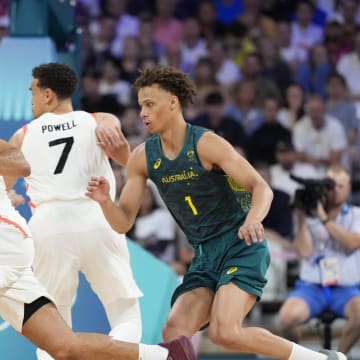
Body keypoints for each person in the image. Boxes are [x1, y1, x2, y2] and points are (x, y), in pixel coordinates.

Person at [86, 65, 347, 360]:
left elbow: (261, 187)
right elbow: (122, 223)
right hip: (204, 255)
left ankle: (320, 359)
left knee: (226, 332)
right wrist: (105, 201)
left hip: (240, 245)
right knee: (174, 331)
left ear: (173, 102)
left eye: (149, 104)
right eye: (140, 106)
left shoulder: (206, 143)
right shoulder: (142, 157)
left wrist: (252, 220)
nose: (143, 113)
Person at [0, 139, 196, 360]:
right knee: (63, 347)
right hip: (14, 250)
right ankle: (164, 355)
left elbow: (21, 164)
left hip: (5, 250)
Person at [8, 62, 143, 359]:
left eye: (32, 92)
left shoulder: (21, 136)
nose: (30, 99)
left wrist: (9, 198)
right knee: (126, 314)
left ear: (47, 94)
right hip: (96, 215)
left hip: (48, 225)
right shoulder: (99, 119)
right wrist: (113, 136)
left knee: (51, 326)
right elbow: (128, 160)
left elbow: (3, 187)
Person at [279, 165, 360, 356]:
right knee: (286, 319)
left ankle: (339, 356)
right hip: (311, 287)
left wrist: (323, 218)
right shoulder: (309, 214)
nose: (335, 191)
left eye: (341, 186)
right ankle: (303, 358)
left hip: (345, 288)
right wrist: (301, 219)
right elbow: (303, 251)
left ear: (349, 189)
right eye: (331, 185)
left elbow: (352, 243)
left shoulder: (356, 214)